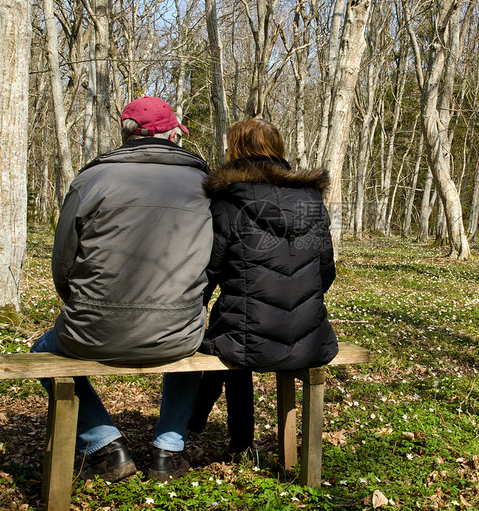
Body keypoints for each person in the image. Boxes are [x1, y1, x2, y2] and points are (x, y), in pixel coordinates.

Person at [31, 97, 212, 482]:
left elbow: (63, 263)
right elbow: (214, 260)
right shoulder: (204, 183)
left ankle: (104, 443)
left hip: (94, 329)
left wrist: (84, 305)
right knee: (193, 342)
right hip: (178, 331)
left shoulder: (91, 179)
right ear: (173, 133)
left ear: (127, 134)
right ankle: (168, 449)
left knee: (41, 351)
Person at [189, 118, 338, 459]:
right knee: (233, 333)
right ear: (278, 150)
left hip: (248, 336)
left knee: (229, 338)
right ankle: (201, 424)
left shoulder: (228, 199)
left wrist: (194, 303)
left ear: (237, 149)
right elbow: (325, 271)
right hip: (310, 335)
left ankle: (238, 442)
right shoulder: (310, 199)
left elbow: (210, 269)